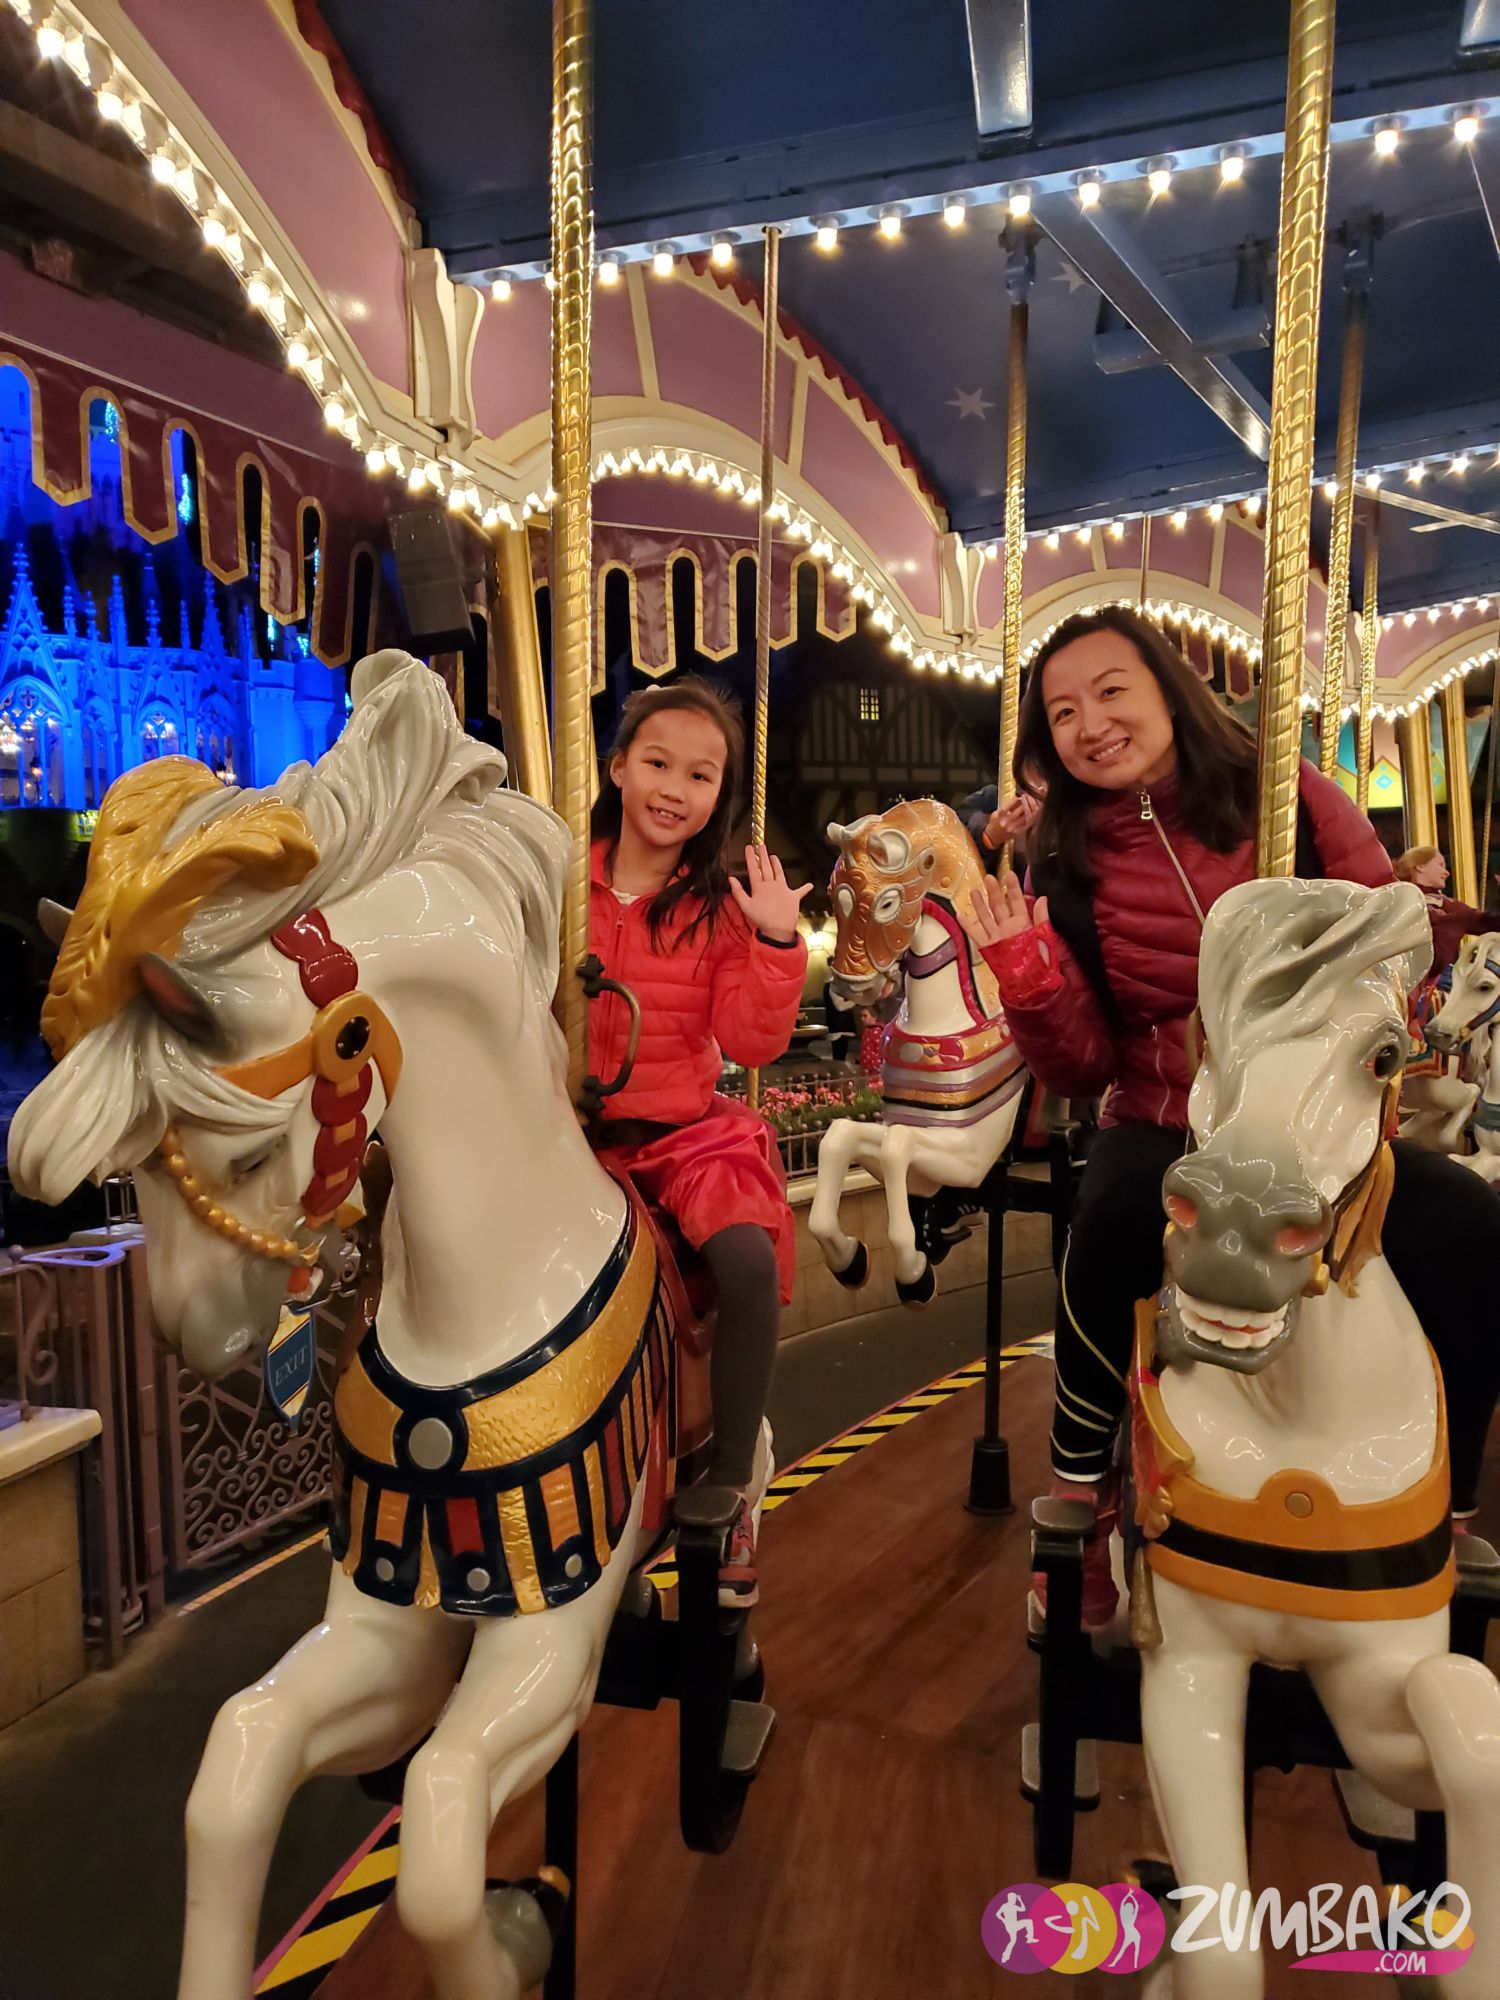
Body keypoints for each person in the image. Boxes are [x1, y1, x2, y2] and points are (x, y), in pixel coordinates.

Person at [959, 605, 1500, 1624]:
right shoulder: (1064, 860)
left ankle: (1455, 1497)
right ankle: (1081, 1489)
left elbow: (1393, 941)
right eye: (1063, 712)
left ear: (1169, 690)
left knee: (1469, 1227)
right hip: (1166, 1111)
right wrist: (1028, 978)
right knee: (1106, 1221)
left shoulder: (1288, 794)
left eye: (1111, 691)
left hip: (1310, 1120)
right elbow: (1083, 1062)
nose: (1091, 724)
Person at [588, 676, 809, 1608]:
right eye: (658, 763)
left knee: (745, 1259)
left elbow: (751, 1042)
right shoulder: (557, 882)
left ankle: (730, 1481)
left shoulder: (716, 909)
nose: (675, 789)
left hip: (680, 1136)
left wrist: (776, 944)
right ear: (618, 768)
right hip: (574, 1135)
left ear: (720, 796)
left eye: (701, 775)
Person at [1394, 844, 1494, 975]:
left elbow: (1487, 922)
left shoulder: (1451, 906)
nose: (1446, 873)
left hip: (1438, 975)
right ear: (1420, 866)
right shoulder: (1399, 897)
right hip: (1404, 971)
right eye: (1440, 865)